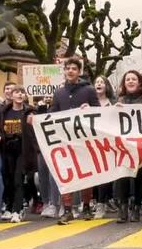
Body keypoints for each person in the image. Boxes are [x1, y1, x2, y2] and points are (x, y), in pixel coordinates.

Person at [35, 56, 100, 224]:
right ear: (64, 71)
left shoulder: (89, 90)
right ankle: (68, 209)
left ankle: (86, 207)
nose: (70, 71)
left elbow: (99, 112)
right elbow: (54, 113)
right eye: (68, 68)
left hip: (84, 139)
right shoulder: (59, 92)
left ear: (79, 72)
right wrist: (39, 114)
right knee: (66, 174)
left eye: (74, 68)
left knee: (87, 173)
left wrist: (90, 109)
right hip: (65, 140)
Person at [113, 70, 142, 222]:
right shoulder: (119, 100)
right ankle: (123, 208)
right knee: (123, 175)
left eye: (133, 79)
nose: (130, 81)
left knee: (139, 176)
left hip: (141, 144)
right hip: (123, 145)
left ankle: (136, 207)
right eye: (127, 79)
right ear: (124, 83)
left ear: (139, 82)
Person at [0, 85, 35, 223]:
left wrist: (33, 120)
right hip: (7, 149)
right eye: (17, 92)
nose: (19, 95)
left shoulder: (30, 112)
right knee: (8, 180)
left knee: (18, 180)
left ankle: (17, 210)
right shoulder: (3, 112)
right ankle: (9, 208)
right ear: (11, 95)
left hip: (22, 149)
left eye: (22, 92)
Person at [88, 75, 116, 219]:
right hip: (93, 142)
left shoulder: (113, 102)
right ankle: (99, 200)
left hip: (108, 142)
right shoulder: (89, 102)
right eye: (96, 82)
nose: (99, 84)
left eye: (102, 82)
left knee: (106, 173)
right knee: (96, 173)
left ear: (106, 86)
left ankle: (102, 203)